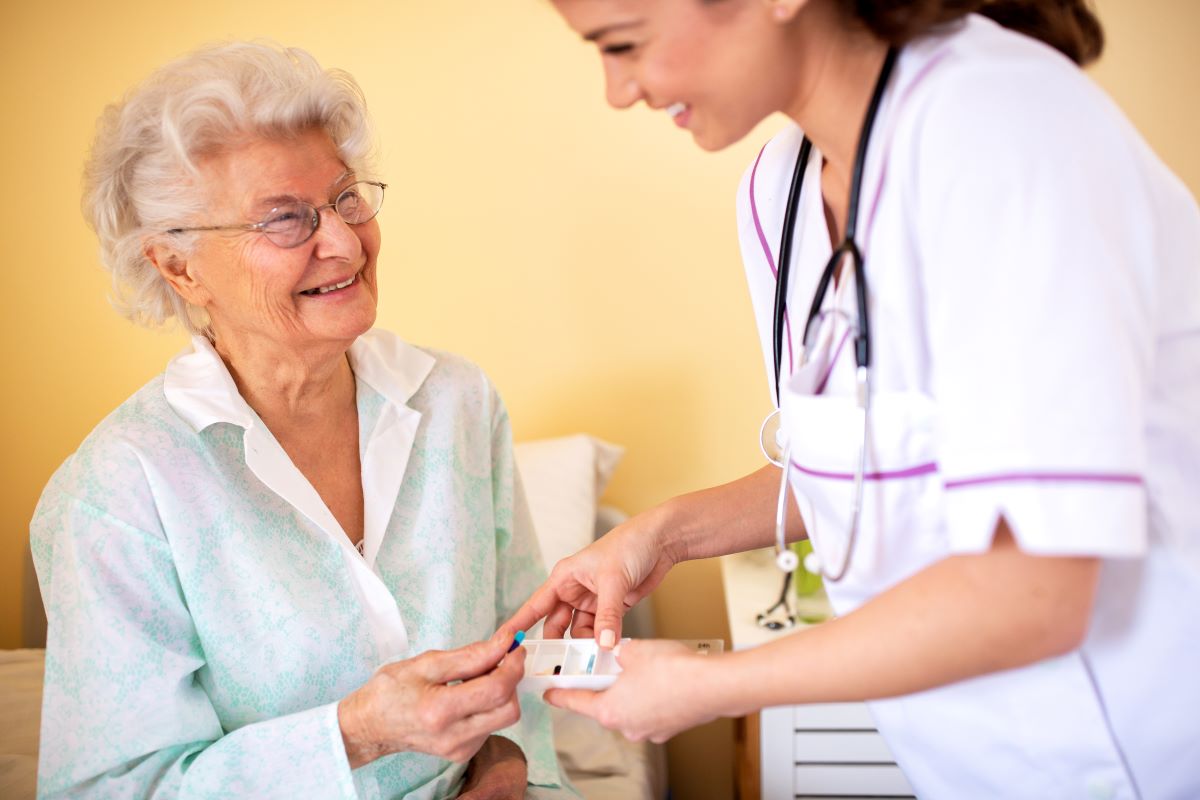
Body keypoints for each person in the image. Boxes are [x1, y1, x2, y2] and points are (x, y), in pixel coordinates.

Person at [505, 1, 1200, 797]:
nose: (617, 90)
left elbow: (1036, 593)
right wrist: (658, 536)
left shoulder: (1003, 129)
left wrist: (711, 685)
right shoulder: (783, 189)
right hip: (967, 759)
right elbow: (878, 462)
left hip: (1137, 753)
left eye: (624, 44)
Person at [31, 42, 574, 800]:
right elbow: (114, 789)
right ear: (178, 266)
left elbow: (527, 642)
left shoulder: (458, 401)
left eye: (347, 199)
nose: (346, 242)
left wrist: (510, 766)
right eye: (286, 220)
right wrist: (355, 734)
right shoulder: (117, 493)